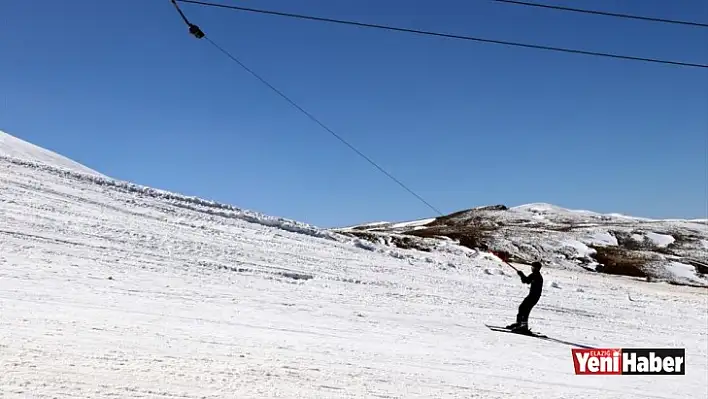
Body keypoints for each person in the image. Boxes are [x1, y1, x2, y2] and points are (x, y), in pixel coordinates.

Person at [506, 261, 544, 332]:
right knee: (522, 307)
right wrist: (521, 274)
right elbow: (526, 281)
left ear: (536, 268)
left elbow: (525, 280)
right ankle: (519, 323)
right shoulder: (535, 274)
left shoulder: (536, 275)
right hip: (532, 296)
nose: (531, 268)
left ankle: (523, 326)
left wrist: (521, 274)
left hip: (534, 296)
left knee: (525, 309)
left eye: (532, 267)